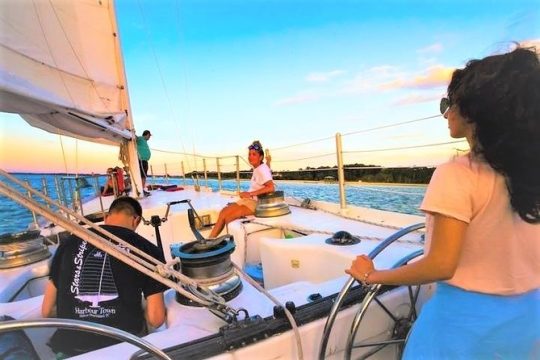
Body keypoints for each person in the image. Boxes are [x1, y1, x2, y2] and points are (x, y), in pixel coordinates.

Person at [346, 47, 540, 358]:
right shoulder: (530, 175)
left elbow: (441, 265)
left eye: (449, 104)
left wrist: (372, 275)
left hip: (463, 330)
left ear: (474, 112)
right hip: (527, 323)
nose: (446, 112)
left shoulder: (456, 174)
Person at [42, 197, 168, 357]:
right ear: (135, 220)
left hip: (70, 350)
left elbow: (46, 311)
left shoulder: (68, 244)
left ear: (107, 217)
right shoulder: (147, 250)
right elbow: (156, 319)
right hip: (122, 349)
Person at [209, 140, 275, 238]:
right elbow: (267, 170)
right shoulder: (261, 167)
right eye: (249, 154)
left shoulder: (261, 169)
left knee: (229, 217)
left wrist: (250, 194)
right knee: (223, 212)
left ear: (260, 157)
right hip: (249, 200)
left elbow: (271, 187)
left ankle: (229, 244)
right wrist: (268, 161)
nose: (250, 157)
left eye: (254, 154)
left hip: (257, 203)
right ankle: (210, 240)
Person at [136, 130, 152, 196]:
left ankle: (141, 189)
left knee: (144, 176)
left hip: (144, 161)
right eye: (149, 136)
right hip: (141, 161)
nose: (149, 137)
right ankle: (141, 190)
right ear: (147, 134)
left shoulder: (144, 141)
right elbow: (135, 137)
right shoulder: (140, 138)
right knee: (142, 176)